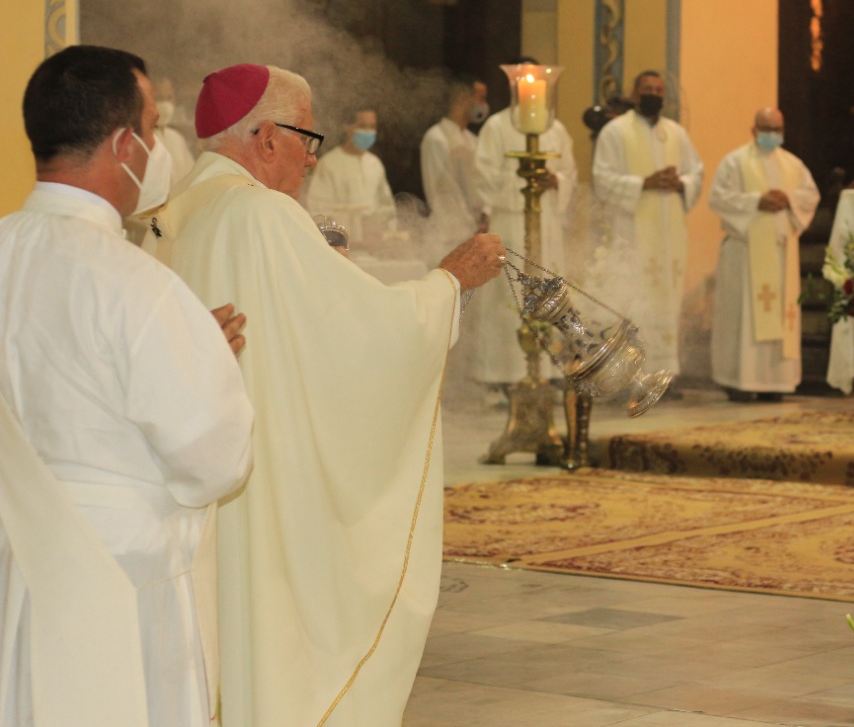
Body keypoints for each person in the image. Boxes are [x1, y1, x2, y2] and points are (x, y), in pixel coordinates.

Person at [150, 63, 506, 726]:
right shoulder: (261, 212)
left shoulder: (173, 214)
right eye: (307, 138)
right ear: (264, 137)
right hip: (266, 481)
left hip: (195, 484)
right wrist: (448, 283)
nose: (313, 158)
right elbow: (365, 339)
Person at [0, 45, 253, 726]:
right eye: (152, 125)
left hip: (20, 568)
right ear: (124, 145)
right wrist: (203, 362)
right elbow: (213, 460)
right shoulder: (136, 284)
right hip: (121, 573)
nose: (158, 143)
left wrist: (183, 348)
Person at [470, 64, 577, 390]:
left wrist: (554, 180)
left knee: (547, 290)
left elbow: (569, 172)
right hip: (511, 220)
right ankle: (503, 374)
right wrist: (524, 179)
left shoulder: (556, 128)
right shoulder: (497, 126)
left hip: (545, 220)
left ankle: (548, 370)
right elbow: (483, 176)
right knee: (509, 293)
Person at [593, 70, 704, 382]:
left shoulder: (676, 133)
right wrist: (644, 183)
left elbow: (696, 172)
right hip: (631, 234)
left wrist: (679, 182)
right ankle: (629, 374)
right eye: (647, 89)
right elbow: (603, 179)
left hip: (669, 237)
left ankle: (662, 372)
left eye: (659, 89)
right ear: (634, 93)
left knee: (666, 299)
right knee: (632, 298)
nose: (654, 94)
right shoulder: (615, 132)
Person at [709, 108, 820, 402]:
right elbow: (719, 197)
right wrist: (757, 201)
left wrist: (788, 200)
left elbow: (810, 196)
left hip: (781, 252)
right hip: (745, 254)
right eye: (766, 128)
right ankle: (740, 380)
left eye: (777, 129)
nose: (772, 134)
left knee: (779, 317)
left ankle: (775, 383)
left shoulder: (793, 165)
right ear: (753, 129)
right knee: (744, 317)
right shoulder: (735, 161)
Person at [420, 76, 488, 267]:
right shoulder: (436, 138)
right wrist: (469, 225)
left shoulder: (472, 140)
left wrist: (484, 216)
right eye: (480, 98)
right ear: (462, 98)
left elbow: (481, 185)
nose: (483, 105)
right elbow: (443, 190)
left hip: (475, 231)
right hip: (448, 235)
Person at [302, 106, 396, 242]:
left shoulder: (375, 164)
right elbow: (316, 210)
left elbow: (388, 207)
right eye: (362, 126)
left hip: (374, 244)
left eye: (372, 127)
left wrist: (380, 222)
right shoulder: (329, 163)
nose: (368, 132)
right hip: (340, 244)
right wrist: (355, 218)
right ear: (347, 126)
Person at [154, 76, 197, 190]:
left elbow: (191, 177)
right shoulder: (142, 139)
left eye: (169, 97)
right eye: (159, 98)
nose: (165, 103)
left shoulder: (176, 138)